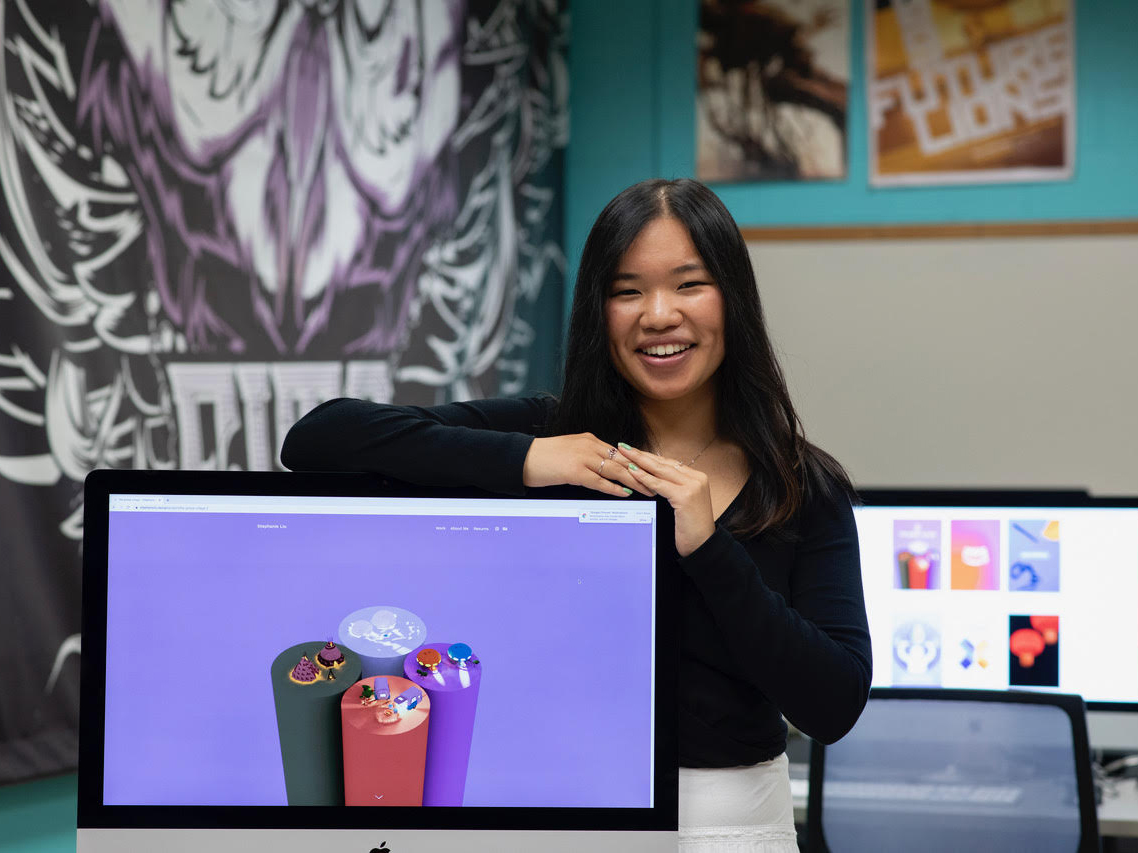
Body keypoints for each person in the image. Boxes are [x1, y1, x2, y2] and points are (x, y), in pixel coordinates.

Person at [282, 178, 871, 852]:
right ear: (600, 311)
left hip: (733, 824)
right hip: (550, 808)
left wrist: (710, 548)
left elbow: (834, 703)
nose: (657, 314)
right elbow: (317, 438)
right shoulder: (557, 436)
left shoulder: (800, 483)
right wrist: (528, 460)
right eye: (627, 291)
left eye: (688, 284)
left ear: (732, 298)